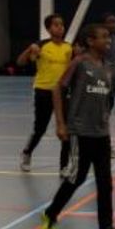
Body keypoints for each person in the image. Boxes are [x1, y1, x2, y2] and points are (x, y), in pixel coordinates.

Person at [39, 23, 115, 229]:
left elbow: (108, 98)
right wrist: (61, 124)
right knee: (75, 178)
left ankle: (105, 228)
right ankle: (50, 216)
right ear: (90, 41)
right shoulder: (79, 63)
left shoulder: (109, 67)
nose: (108, 41)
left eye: (109, 38)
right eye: (103, 37)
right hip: (80, 132)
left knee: (105, 182)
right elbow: (57, 89)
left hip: (102, 133)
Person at [17, 14, 74, 173]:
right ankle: (27, 153)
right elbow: (20, 62)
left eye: (62, 25)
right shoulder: (40, 45)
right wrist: (29, 49)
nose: (60, 27)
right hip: (43, 91)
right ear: (48, 29)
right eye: (56, 25)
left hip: (62, 93)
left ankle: (64, 166)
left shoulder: (68, 48)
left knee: (66, 129)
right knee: (40, 129)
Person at [102, 12, 115, 158]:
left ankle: (105, 147)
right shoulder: (100, 39)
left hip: (112, 82)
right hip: (101, 82)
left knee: (106, 115)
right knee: (101, 116)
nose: (113, 25)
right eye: (110, 22)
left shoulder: (113, 38)